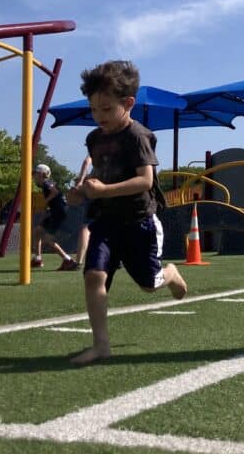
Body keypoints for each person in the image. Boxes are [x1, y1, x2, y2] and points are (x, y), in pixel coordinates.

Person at [65, 60, 187, 366]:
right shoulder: (94, 139)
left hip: (138, 223)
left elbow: (145, 181)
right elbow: (100, 175)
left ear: (128, 103)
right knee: (93, 276)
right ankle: (101, 345)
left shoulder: (138, 136)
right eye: (93, 109)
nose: (98, 116)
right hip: (105, 222)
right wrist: (81, 192)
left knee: (148, 285)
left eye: (106, 109)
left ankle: (169, 274)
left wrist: (104, 190)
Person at [31, 164, 78, 271]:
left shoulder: (47, 183)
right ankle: (38, 259)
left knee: (48, 239)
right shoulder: (46, 184)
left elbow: (55, 192)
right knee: (37, 231)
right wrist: (46, 209)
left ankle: (68, 261)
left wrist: (45, 201)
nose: (34, 176)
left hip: (58, 214)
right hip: (55, 212)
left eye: (36, 173)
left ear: (42, 174)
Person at [69, 154, 93, 266]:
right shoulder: (119, 148)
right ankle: (117, 258)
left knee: (86, 226)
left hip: (97, 189)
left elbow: (86, 161)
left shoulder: (98, 146)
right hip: (114, 189)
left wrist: (80, 181)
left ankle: (78, 261)